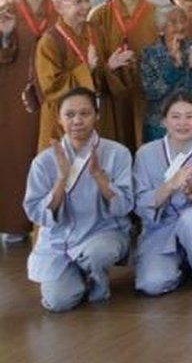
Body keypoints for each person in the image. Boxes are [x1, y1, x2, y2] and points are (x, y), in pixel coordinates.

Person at [23, 88, 133, 312]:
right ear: (59, 118)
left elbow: (124, 206)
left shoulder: (117, 153)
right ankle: (78, 277)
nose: (77, 121)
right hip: (58, 243)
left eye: (85, 113)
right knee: (59, 302)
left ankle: (97, 282)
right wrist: (61, 179)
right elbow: (36, 213)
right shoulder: (43, 161)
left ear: (97, 115)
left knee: (98, 253)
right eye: (70, 114)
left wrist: (99, 176)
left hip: (103, 233)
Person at [133, 92, 192, 295]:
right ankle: (181, 265)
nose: (183, 123)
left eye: (190, 116)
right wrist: (170, 185)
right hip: (160, 228)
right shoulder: (145, 153)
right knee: (152, 285)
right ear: (163, 121)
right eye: (175, 116)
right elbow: (141, 203)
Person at [0, 0, 55, 243]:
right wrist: (5, 36)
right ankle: (15, 222)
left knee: (51, 155)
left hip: (53, 94)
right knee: (16, 157)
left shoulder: (58, 10)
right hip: (14, 96)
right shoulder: (7, 12)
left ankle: (51, 220)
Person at [36, 0, 119, 147]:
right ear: (59, 7)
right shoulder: (50, 41)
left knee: (98, 158)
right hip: (64, 121)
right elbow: (51, 87)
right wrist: (86, 69)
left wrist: (109, 67)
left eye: (87, 0)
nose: (86, 6)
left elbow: (100, 78)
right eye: (79, 2)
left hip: (96, 115)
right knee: (64, 161)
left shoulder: (96, 31)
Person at [90, 0, 159, 148]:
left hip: (147, 94)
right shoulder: (99, 15)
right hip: (113, 93)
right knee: (115, 146)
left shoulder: (157, 12)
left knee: (147, 146)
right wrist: (109, 67)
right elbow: (93, 63)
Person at [140, 6, 192, 142]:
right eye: (174, 22)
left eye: (183, 21)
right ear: (161, 29)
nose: (180, 26)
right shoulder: (150, 54)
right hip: (161, 126)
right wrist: (174, 67)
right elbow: (152, 92)